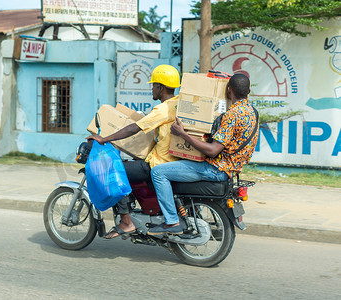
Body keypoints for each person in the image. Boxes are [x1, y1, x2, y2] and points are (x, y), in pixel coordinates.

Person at [147, 73, 259, 235]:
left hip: (216, 169)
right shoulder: (252, 112)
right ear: (248, 91)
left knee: (158, 172)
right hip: (233, 168)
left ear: (229, 91)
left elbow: (213, 150)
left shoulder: (232, 115)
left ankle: (171, 221)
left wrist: (183, 134)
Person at [87, 64, 181, 239]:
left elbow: (134, 128)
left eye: (153, 85)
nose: (152, 88)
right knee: (128, 166)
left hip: (158, 163)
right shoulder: (176, 104)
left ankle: (126, 221)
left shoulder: (162, 109)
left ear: (160, 87)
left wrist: (104, 138)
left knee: (114, 170)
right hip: (171, 160)